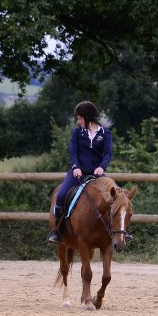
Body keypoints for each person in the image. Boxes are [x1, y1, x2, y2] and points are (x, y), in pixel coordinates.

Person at [47, 101, 113, 243]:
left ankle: (119, 232)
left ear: (86, 117)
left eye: (79, 118)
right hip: (77, 172)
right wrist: (76, 166)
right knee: (61, 196)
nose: (78, 121)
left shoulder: (105, 133)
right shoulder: (77, 133)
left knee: (117, 196)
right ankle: (57, 231)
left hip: (97, 174)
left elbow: (108, 154)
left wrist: (102, 166)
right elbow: (73, 152)